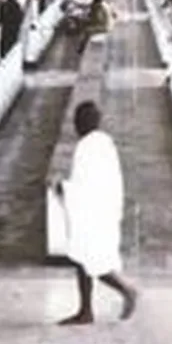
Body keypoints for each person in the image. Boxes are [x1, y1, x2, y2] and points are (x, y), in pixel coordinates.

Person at [55, 101, 138, 325]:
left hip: (92, 213)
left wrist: (63, 188)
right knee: (84, 259)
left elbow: (83, 185)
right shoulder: (104, 143)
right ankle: (86, 310)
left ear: (80, 123)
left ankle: (126, 290)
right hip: (104, 210)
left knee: (91, 260)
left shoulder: (86, 147)